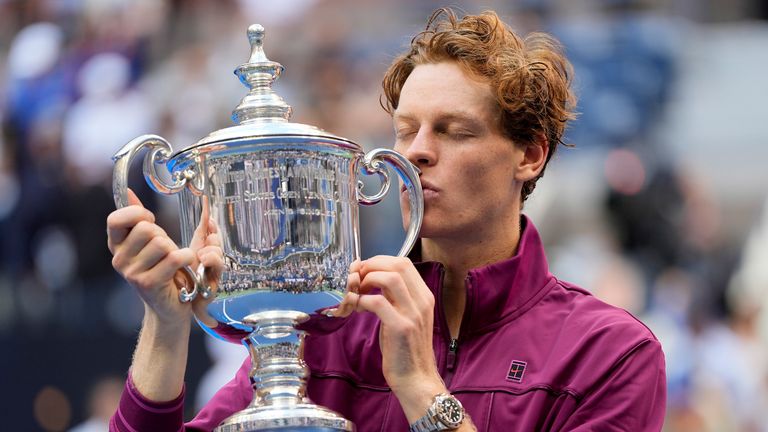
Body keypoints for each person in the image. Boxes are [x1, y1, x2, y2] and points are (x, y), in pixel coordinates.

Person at [107, 8, 666, 431]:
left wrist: (422, 388)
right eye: (405, 131)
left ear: (529, 155)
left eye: (454, 131)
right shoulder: (324, 335)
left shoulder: (609, 355)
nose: (416, 153)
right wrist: (166, 320)